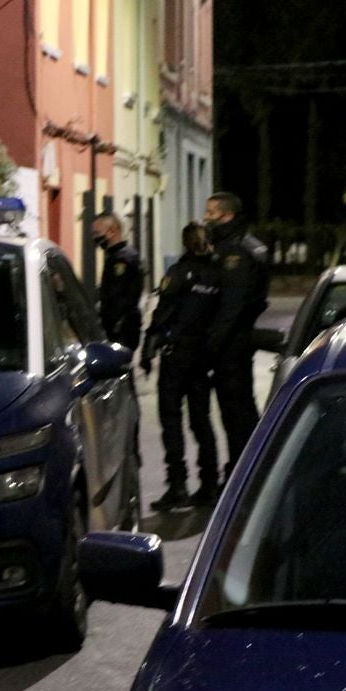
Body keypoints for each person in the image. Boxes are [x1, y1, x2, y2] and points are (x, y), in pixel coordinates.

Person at [141, 223, 222, 511]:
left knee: (171, 418)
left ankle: (177, 486)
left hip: (177, 355)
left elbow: (163, 312)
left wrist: (149, 348)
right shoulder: (218, 274)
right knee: (201, 419)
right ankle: (210, 483)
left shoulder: (178, 273)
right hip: (203, 356)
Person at [204, 191, 269, 477]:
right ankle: (248, 466)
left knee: (235, 410)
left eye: (210, 213)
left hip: (232, 344)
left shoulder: (236, 252)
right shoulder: (249, 245)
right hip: (239, 340)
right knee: (241, 406)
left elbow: (232, 304)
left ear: (226, 215)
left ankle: (242, 471)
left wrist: (213, 344)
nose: (206, 218)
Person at [91, 212, 144, 351]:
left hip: (122, 328)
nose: (95, 237)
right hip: (118, 327)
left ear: (112, 232)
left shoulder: (123, 259)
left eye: (97, 233)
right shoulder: (115, 256)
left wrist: (111, 322)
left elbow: (119, 298)